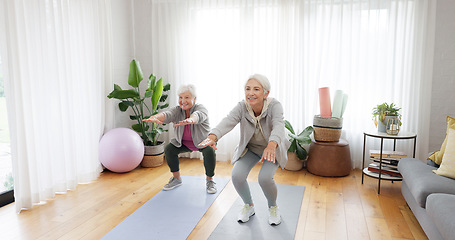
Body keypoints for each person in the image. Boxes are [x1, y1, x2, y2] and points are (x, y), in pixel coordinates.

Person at [199, 74, 289, 225]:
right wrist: (213, 136)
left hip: (271, 149)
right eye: (247, 89)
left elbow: (279, 125)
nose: (250, 93)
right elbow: (228, 121)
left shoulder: (275, 106)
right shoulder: (242, 107)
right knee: (237, 175)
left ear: (265, 93)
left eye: (256, 89)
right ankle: (249, 205)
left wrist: (272, 145)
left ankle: (273, 207)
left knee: (265, 178)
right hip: (252, 149)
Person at [144, 84, 217, 194]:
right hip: (183, 143)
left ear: (194, 98)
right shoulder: (177, 111)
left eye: (187, 97)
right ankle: (176, 179)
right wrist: (155, 117)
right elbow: (167, 114)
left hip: (202, 141)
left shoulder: (201, 108)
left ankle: (210, 180)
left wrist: (191, 120)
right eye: (180, 97)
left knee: (209, 151)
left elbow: (198, 115)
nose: (183, 101)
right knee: (169, 149)